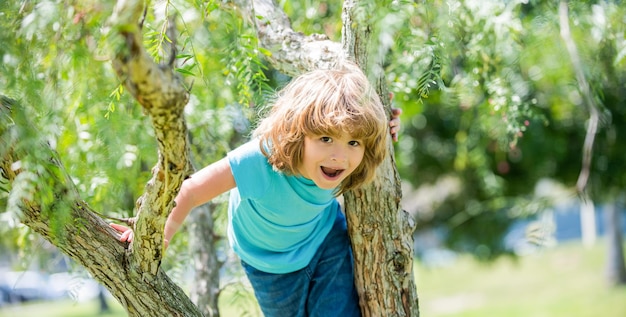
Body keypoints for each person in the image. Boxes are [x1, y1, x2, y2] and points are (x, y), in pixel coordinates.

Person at [111, 61, 402, 317]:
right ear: (297, 132)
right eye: (326, 138)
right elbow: (190, 192)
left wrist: (385, 122)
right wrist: (156, 237)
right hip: (270, 266)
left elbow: (367, 133)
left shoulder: (350, 161)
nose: (339, 155)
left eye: (353, 143)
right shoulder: (260, 160)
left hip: (325, 242)